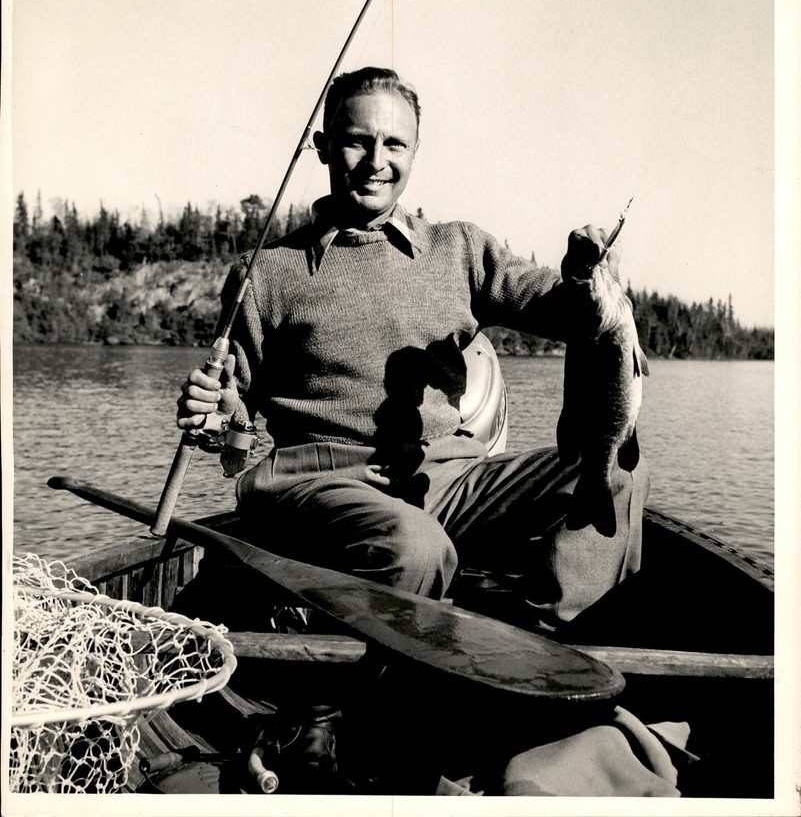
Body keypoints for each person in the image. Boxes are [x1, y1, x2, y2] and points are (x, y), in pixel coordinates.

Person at [177, 66, 649, 630]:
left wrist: (584, 276)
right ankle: (348, 698)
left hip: (446, 478)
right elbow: (235, 444)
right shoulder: (267, 274)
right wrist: (216, 416)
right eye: (358, 140)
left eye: (395, 143)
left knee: (618, 475)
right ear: (325, 148)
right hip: (317, 484)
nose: (378, 160)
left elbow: (571, 314)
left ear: (415, 151)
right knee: (415, 549)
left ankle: (541, 651)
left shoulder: (460, 250)